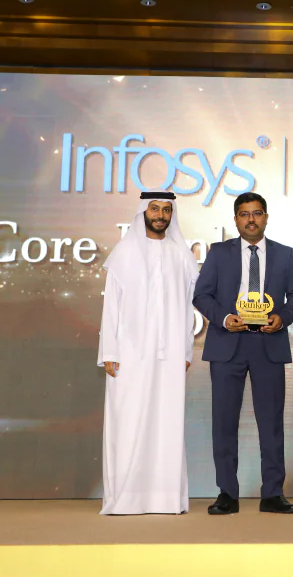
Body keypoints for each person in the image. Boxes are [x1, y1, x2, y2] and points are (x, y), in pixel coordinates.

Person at [193, 192, 293, 514]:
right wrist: (224, 318)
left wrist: (282, 317)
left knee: (271, 423)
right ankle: (227, 494)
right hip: (227, 343)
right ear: (235, 220)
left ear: (266, 217)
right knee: (224, 422)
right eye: (244, 214)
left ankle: (273, 494)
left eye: (257, 213)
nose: (251, 220)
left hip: (268, 344)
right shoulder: (219, 253)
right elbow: (201, 295)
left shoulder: (284, 254)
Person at [97, 192, 197, 515]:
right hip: (128, 354)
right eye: (154, 208)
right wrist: (109, 350)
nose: (160, 215)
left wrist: (186, 350)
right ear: (143, 211)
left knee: (166, 422)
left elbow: (188, 309)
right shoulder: (124, 252)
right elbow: (111, 306)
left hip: (170, 356)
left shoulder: (181, 255)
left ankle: (164, 498)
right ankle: (125, 497)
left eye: (166, 210)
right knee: (128, 421)